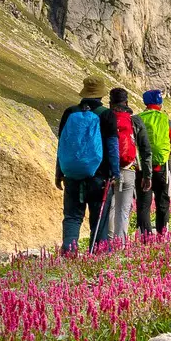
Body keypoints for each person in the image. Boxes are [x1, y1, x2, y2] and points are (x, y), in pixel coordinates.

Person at [55, 76, 110, 253]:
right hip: (99, 176)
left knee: (72, 216)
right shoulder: (106, 114)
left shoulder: (70, 112)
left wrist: (59, 172)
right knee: (99, 217)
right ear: (101, 95)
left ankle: (70, 251)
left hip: (71, 173)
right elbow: (112, 146)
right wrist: (114, 172)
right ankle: (98, 254)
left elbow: (63, 144)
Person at [133, 89, 171, 236]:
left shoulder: (137, 119)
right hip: (162, 167)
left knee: (143, 204)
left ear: (145, 102)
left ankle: (145, 237)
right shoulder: (166, 119)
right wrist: (165, 154)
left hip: (142, 168)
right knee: (163, 202)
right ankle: (162, 234)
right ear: (160, 103)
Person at [94, 87, 138, 248]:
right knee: (123, 210)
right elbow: (143, 147)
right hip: (128, 169)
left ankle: (109, 242)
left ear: (110, 102)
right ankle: (121, 244)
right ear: (126, 102)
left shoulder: (105, 117)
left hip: (108, 170)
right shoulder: (132, 120)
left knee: (109, 207)